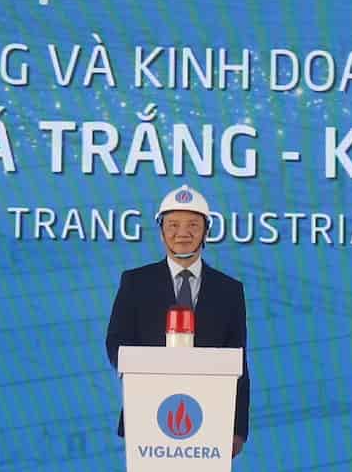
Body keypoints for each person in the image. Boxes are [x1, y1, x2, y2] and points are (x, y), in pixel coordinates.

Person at [103, 184, 249, 452]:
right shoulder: (136, 282)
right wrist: (138, 376)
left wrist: (237, 428)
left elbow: (238, 359)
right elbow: (116, 342)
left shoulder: (229, 290)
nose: (182, 233)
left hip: (211, 417)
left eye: (193, 225)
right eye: (173, 225)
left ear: (206, 232)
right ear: (161, 232)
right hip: (146, 413)